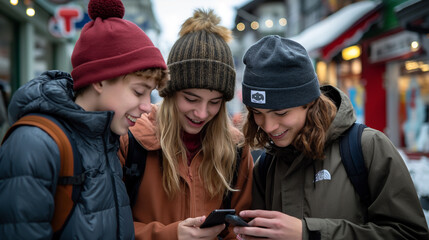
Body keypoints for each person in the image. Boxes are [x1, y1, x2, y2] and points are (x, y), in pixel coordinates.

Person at [233, 35, 429, 239]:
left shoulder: (367, 147)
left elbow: (411, 234)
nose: (269, 126)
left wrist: (309, 234)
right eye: (257, 112)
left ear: (309, 103)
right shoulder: (266, 165)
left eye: (281, 113)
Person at [0, 0, 168, 239]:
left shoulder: (108, 140)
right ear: (100, 80)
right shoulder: (34, 144)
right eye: (138, 91)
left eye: (149, 93)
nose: (146, 106)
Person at [118, 9, 253, 240]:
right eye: (191, 99)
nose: (201, 113)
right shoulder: (130, 139)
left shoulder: (236, 149)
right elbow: (106, 226)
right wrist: (170, 235)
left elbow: (243, 227)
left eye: (215, 102)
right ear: (169, 93)